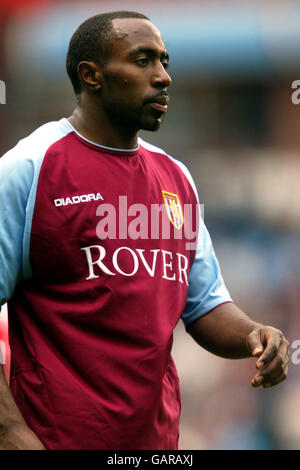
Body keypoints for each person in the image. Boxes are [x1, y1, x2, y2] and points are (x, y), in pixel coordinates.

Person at [0, 11, 289, 450]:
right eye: (143, 61)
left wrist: (254, 334)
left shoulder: (176, 178)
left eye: (165, 62)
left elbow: (206, 307)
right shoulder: (29, 170)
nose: (163, 77)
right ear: (91, 75)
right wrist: (9, 431)